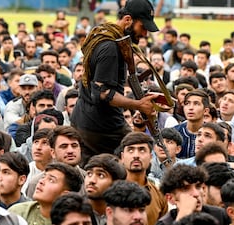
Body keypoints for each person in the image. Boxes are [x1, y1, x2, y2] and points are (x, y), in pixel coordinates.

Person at [71, 0, 159, 165]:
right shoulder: (110, 48)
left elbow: (107, 77)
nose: (145, 34)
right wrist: (138, 105)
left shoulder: (104, 33)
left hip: (86, 119)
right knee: (140, 155)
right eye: (143, 27)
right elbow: (103, 93)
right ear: (127, 20)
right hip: (100, 127)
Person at [9, 162, 83, 225]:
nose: (41, 181)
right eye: (43, 177)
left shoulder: (75, 221)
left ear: (65, 195)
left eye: (51, 180)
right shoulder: (18, 212)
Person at [118, 131, 168, 225]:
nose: (136, 155)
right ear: (122, 157)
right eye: (131, 150)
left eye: (142, 150)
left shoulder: (159, 195)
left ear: (150, 157)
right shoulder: (110, 192)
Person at [157, 164, 230, 225]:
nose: (196, 194)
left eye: (198, 187)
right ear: (170, 198)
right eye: (185, 189)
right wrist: (183, 216)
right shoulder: (165, 223)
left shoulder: (220, 215)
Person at [84, 153, 126, 225]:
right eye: (89, 174)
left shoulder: (125, 215)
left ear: (116, 183)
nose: (92, 180)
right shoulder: (75, 212)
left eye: (100, 175)